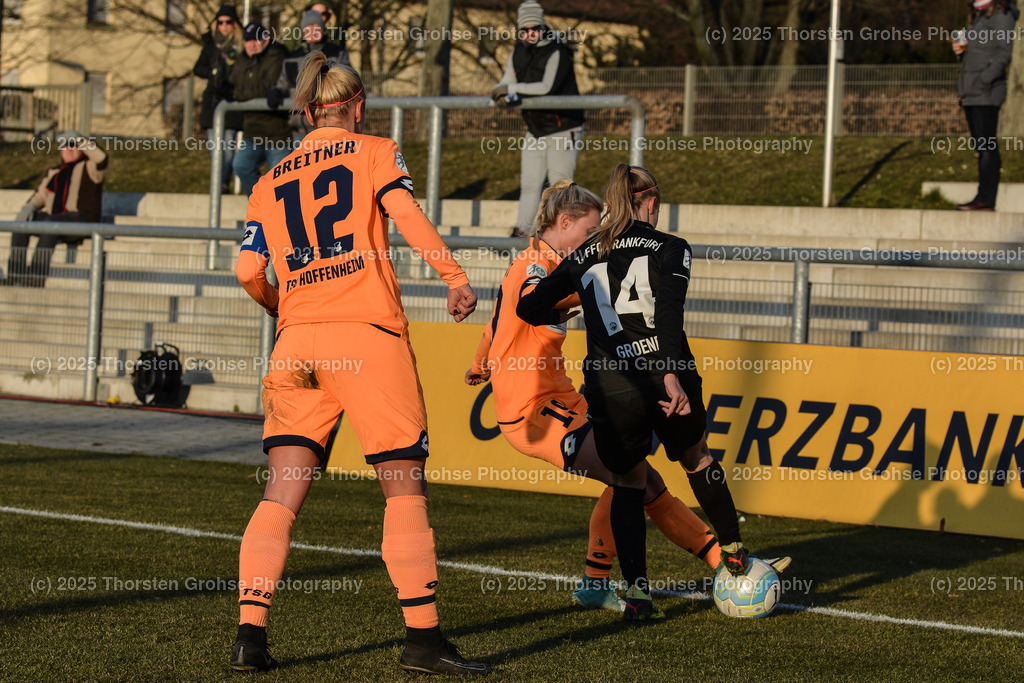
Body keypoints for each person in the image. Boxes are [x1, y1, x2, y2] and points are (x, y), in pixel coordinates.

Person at [232, 52, 488, 675]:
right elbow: (406, 216)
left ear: (308, 110)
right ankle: (423, 642)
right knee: (403, 488)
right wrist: (454, 278)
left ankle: (250, 636)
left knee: (280, 496)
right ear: (357, 104)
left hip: (296, 342)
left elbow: (247, 271)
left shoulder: (270, 179)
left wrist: (281, 307)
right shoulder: (374, 150)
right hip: (366, 335)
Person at [465, 180, 723, 612]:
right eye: (587, 233)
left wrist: (480, 363)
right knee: (633, 476)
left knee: (636, 476)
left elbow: (496, 325)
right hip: (533, 411)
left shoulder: (540, 261)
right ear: (563, 223)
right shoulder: (535, 268)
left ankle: (603, 580)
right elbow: (528, 302)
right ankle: (723, 562)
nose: (592, 242)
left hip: (562, 397)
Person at [517, 164, 750, 620]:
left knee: (627, 482)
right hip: (666, 374)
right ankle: (735, 552)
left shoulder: (585, 254)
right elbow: (668, 314)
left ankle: (639, 596)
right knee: (697, 458)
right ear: (651, 201)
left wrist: (573, 307)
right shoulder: (671, 247)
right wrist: (667, 374)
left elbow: (529, 306)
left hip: (611, 385)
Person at [490, 1, 584, 237]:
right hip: (535, 129)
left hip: (564, 126)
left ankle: (563, 235)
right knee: (530, 184)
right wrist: (498, 96)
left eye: (535, 28)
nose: (530, 34)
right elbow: (505, 81)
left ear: (542, 26)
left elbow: (546, 88)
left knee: (559, 185)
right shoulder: (518, 51)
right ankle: (522, 233)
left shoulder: (558, 51)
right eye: (524, 30)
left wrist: (511, 88)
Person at [4, 130, 108, 287]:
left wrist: (80, 139)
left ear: (81, 149)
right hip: (55, 218)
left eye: (73, 146)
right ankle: (14, 275)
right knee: (22, 224)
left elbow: (101, 158)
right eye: (65, 146)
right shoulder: (55, 172)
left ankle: (35, 277)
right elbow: (40, 196)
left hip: (80, 219)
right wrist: (28, 210)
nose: (69, 149)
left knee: (51, 223)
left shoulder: (90, 168)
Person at [952, 0, 1018, 211]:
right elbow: (981, 52)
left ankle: (986, 199)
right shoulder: (978, 14)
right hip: (971, 92)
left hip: (986, 92)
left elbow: (1004, 53)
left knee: (987, 146)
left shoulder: (1001, 14)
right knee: (981, 146)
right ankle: (983, 197)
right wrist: (962, 51)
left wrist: (983, 80)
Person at [267, 9, 351, 143]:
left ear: (323, 30)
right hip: (299, 129)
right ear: (303, 32)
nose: (312, 31)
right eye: (308, 28)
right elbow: (283, 83)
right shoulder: (292, 57)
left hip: (329, 125)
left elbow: (346, 83)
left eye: (316, 27)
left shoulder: (337, 54)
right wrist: (276, 92)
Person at [230, 21, 290, 196]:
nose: (252, 44)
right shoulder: (241, 60)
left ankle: (276, 214)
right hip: (252, 130)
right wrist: (242, 93)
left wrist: (241, 93)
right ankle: (261, 205)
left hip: (277, 132)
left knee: (278, 180)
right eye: (247, 40)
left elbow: (267, 87)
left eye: (256, 39)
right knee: (241, 166)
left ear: (266, 39)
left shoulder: (276, 55)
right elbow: (233, 88)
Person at [192, 4, 244, 194]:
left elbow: (239, 69)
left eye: (228, 22)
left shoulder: (238, 46)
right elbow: (197, 68)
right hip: (212, 101)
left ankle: (223, 184)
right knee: (214, 148)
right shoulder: (211, 45)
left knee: (227, 148)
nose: (224, 26)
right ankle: (217, 184)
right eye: (220, 22)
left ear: (234, 24)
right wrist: (212, 73)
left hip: (230, 101)